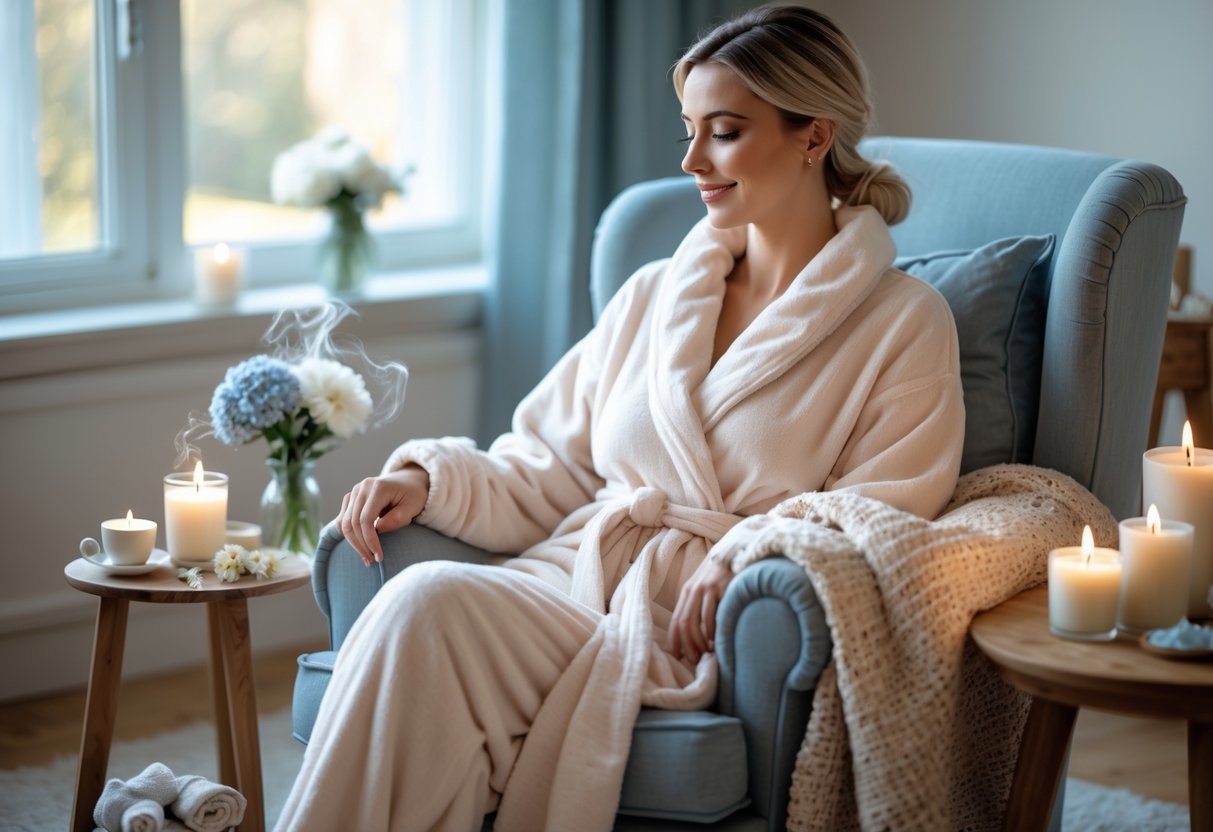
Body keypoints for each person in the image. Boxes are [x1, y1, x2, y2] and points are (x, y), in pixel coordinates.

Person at [276, 6, 964, 831]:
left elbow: (886, 509)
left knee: (429, 604)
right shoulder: (655, 293)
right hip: (569, 581)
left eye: (724, 131)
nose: (690, 160)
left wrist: (753, 544)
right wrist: (426, 480)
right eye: (688, 130)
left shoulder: (902, 320)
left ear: (813, 136)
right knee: (422, 607)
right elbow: (549, 463)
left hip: (695, 622)